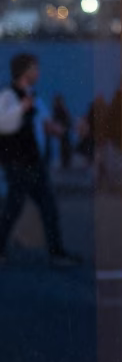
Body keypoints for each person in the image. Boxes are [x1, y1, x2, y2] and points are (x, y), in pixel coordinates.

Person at [0, 54, 79, 266]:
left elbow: (46, 123)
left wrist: (64, 130)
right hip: (18, 164)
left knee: (46, 207)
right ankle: (56, 253)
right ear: (25, 71)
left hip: (34, 164)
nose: (38, 73)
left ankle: (57, 253)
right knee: (14, 209)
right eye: (35, 69)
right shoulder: (9, 95)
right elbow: (3, 124)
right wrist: (21, 108)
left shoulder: (33, 97)